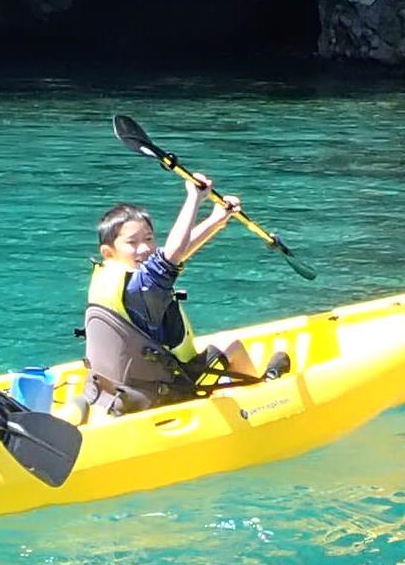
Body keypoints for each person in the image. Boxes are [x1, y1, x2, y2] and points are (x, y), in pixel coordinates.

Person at [83, 176, 284, 416]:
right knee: (231, 345)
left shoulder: (109, 276)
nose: (145, 248)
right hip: (168, 387)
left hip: (119, 390)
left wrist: (216, 220)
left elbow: (172, 254)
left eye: (148, 238)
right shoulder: (141, 287)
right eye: (132, 243)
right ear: (109, 251)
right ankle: (261, 405)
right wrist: (194, 198)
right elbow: (173, 254)